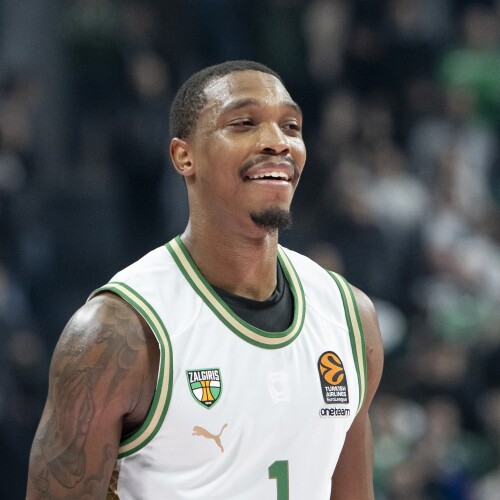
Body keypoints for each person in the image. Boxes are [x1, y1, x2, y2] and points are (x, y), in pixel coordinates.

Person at [26, 60, 384, 499]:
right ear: (184, 156)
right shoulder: (117, 332)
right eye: (244, 123)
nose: (278, 142)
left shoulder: (349, 318)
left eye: (291, 126)